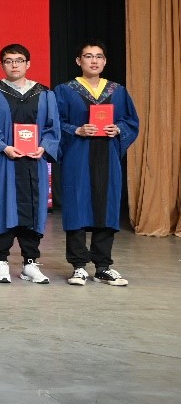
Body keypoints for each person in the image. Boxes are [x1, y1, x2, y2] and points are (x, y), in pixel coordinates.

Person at [54, 42, 140, 286]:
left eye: (99, 56)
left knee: (107, 206)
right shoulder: (65, 90)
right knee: (77, 206)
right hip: (78, 156)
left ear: (105, 61)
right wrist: (76, 129)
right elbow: (55, 122)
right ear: (78, 61)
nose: (94, 61)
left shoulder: (117, 91)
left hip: (108, 156)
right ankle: (79, 267)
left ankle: (103, 266)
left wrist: (118, 128)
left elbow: (130, 121)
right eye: (88, 56)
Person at [0, 44, 62, 284]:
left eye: (19, 60)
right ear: (2, 65)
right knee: (3, 207)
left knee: (33, 209)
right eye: (8, 61)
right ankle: (2, 262)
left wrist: (44, 147)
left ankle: (30, 263)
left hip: (34, 162)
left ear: (28, 64)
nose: (14, 65)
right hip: (5, 160)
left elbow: (52, 127)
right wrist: (3, 146)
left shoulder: (44, 93)